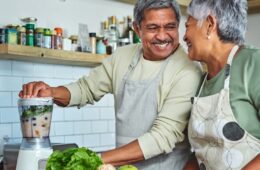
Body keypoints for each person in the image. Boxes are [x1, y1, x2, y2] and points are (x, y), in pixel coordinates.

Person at [19, 0, 202, 169]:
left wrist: (92, 160)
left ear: (178, 26)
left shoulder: (188, 70)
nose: (162, 36)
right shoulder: (122, 57)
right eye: (153, 28)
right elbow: (86, 89)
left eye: (170, 27)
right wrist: (50, 92)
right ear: (137, 29)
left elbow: (162, 137)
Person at [182, 0, 260, 169]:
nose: (184, 36)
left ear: (210, 24)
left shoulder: (253, 63)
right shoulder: (202, 81)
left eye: (188, 25)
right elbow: (203, 152)